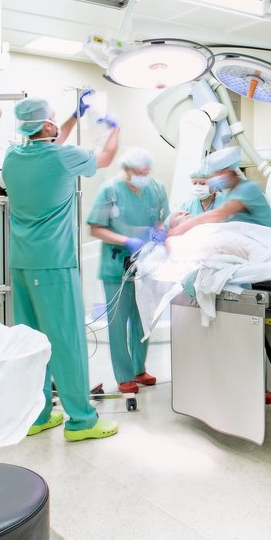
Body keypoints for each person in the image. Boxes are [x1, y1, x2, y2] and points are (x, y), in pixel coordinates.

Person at [2, 93, 121, 442]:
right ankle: (81, 421)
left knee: (33, 343)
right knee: (66, 342)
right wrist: (116, 127)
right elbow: (107, 156)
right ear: (48, 125)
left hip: (22, 264)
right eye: (55, 119)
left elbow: (51, 145)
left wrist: (73, 116)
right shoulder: (64, 158)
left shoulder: (12, 156)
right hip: (53, 266)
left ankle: (38, 414)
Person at [87, 147, 169, 394]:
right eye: (138, 172)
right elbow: (96, 228)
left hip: (145, 265)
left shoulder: (156, 189)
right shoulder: (110, 191)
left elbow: (162, 218)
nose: (143, 176)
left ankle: (139, 369)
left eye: (146, 172)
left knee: (144, 319)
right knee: (119, 322)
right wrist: (125, 241)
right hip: (116, 266)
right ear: (126, 170)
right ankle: (124, 375)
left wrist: (159, 231)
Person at [166, 147, 271, 237]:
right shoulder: (229, 193)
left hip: (268, 239)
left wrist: (177, 230)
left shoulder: (247, 188)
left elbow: (218, 214)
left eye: (216, 174)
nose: (213, 179)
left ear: (228, 171)